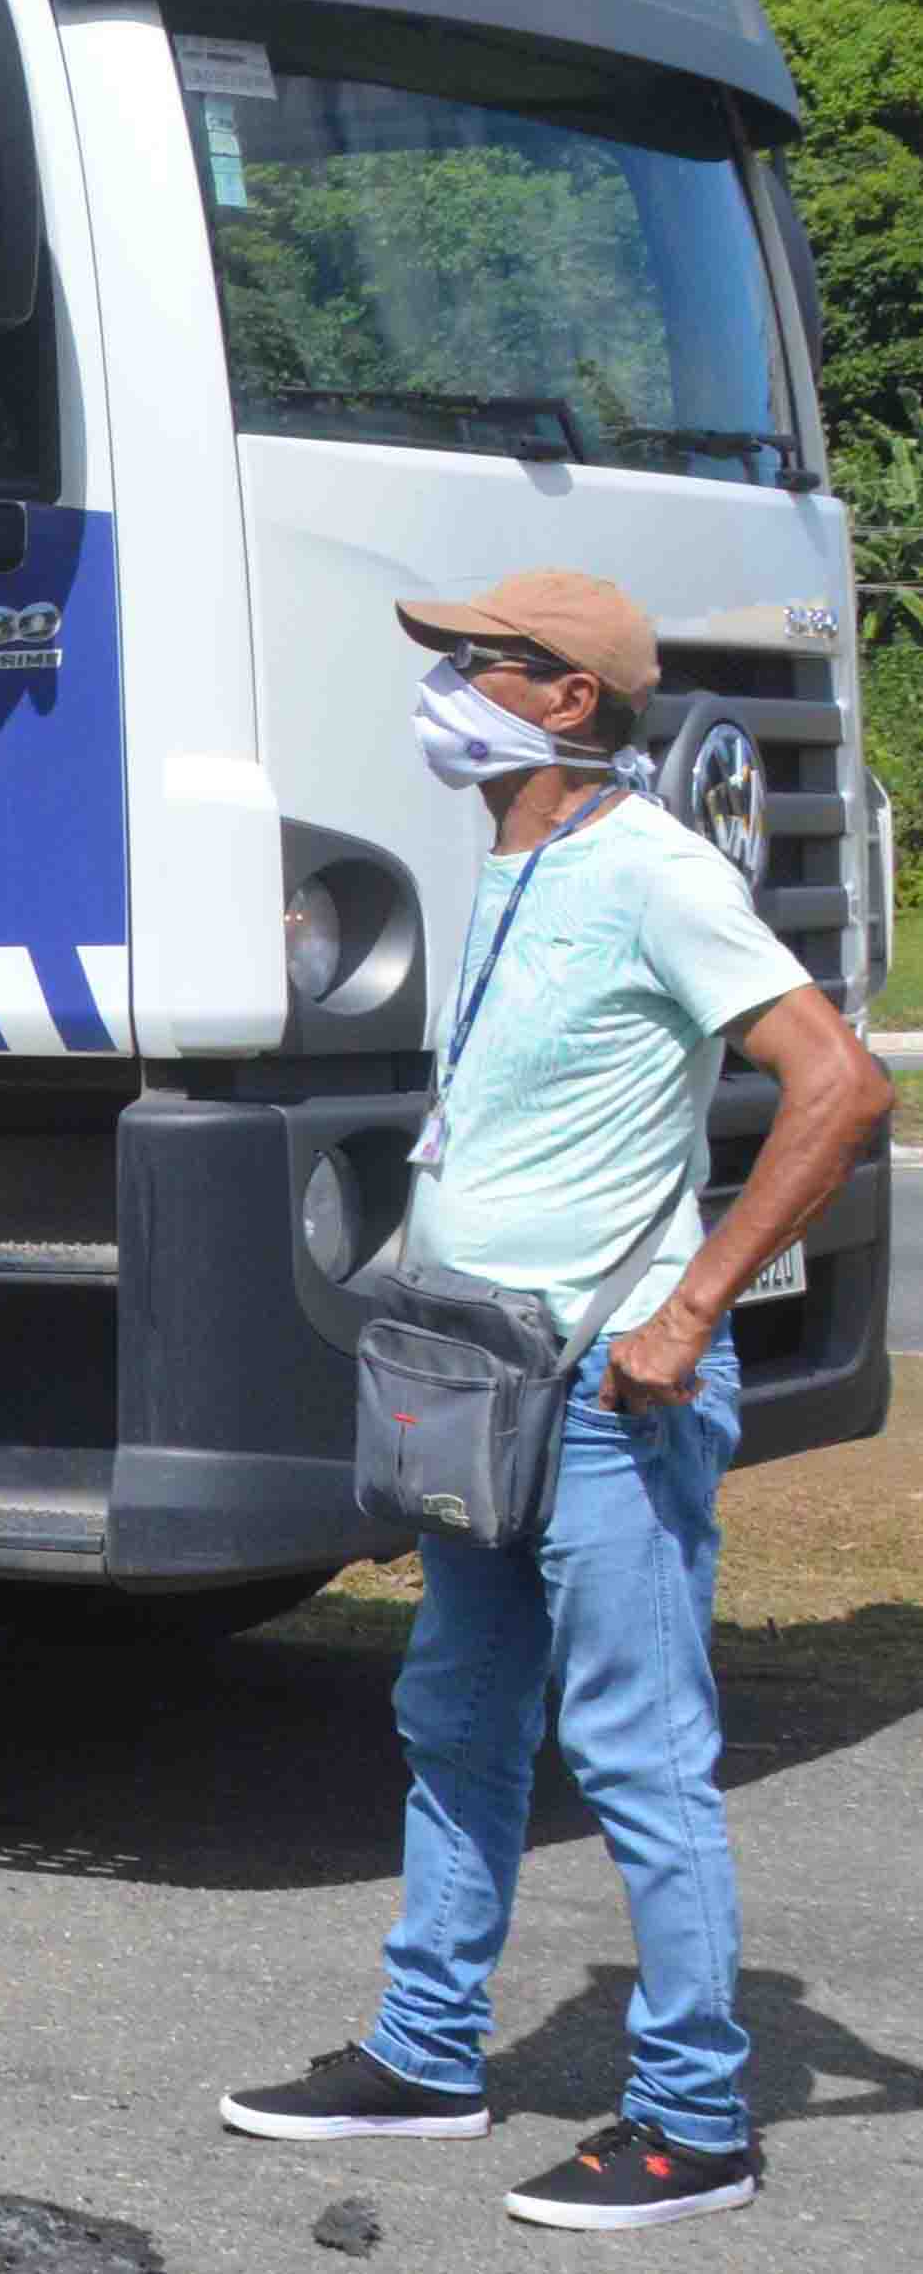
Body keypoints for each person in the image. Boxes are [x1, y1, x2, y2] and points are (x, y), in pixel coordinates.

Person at [218, 567, 889, 2233]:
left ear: (568, 698)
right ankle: (426, 2052)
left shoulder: (654, 870)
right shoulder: (514, 860)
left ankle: (695, 2120)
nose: (444, 684)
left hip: (608, 1390)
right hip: (485, 1378)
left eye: (478, 661)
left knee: (639, 1756)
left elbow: (838, 1083)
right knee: (454, 1717)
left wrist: (687, 1310)